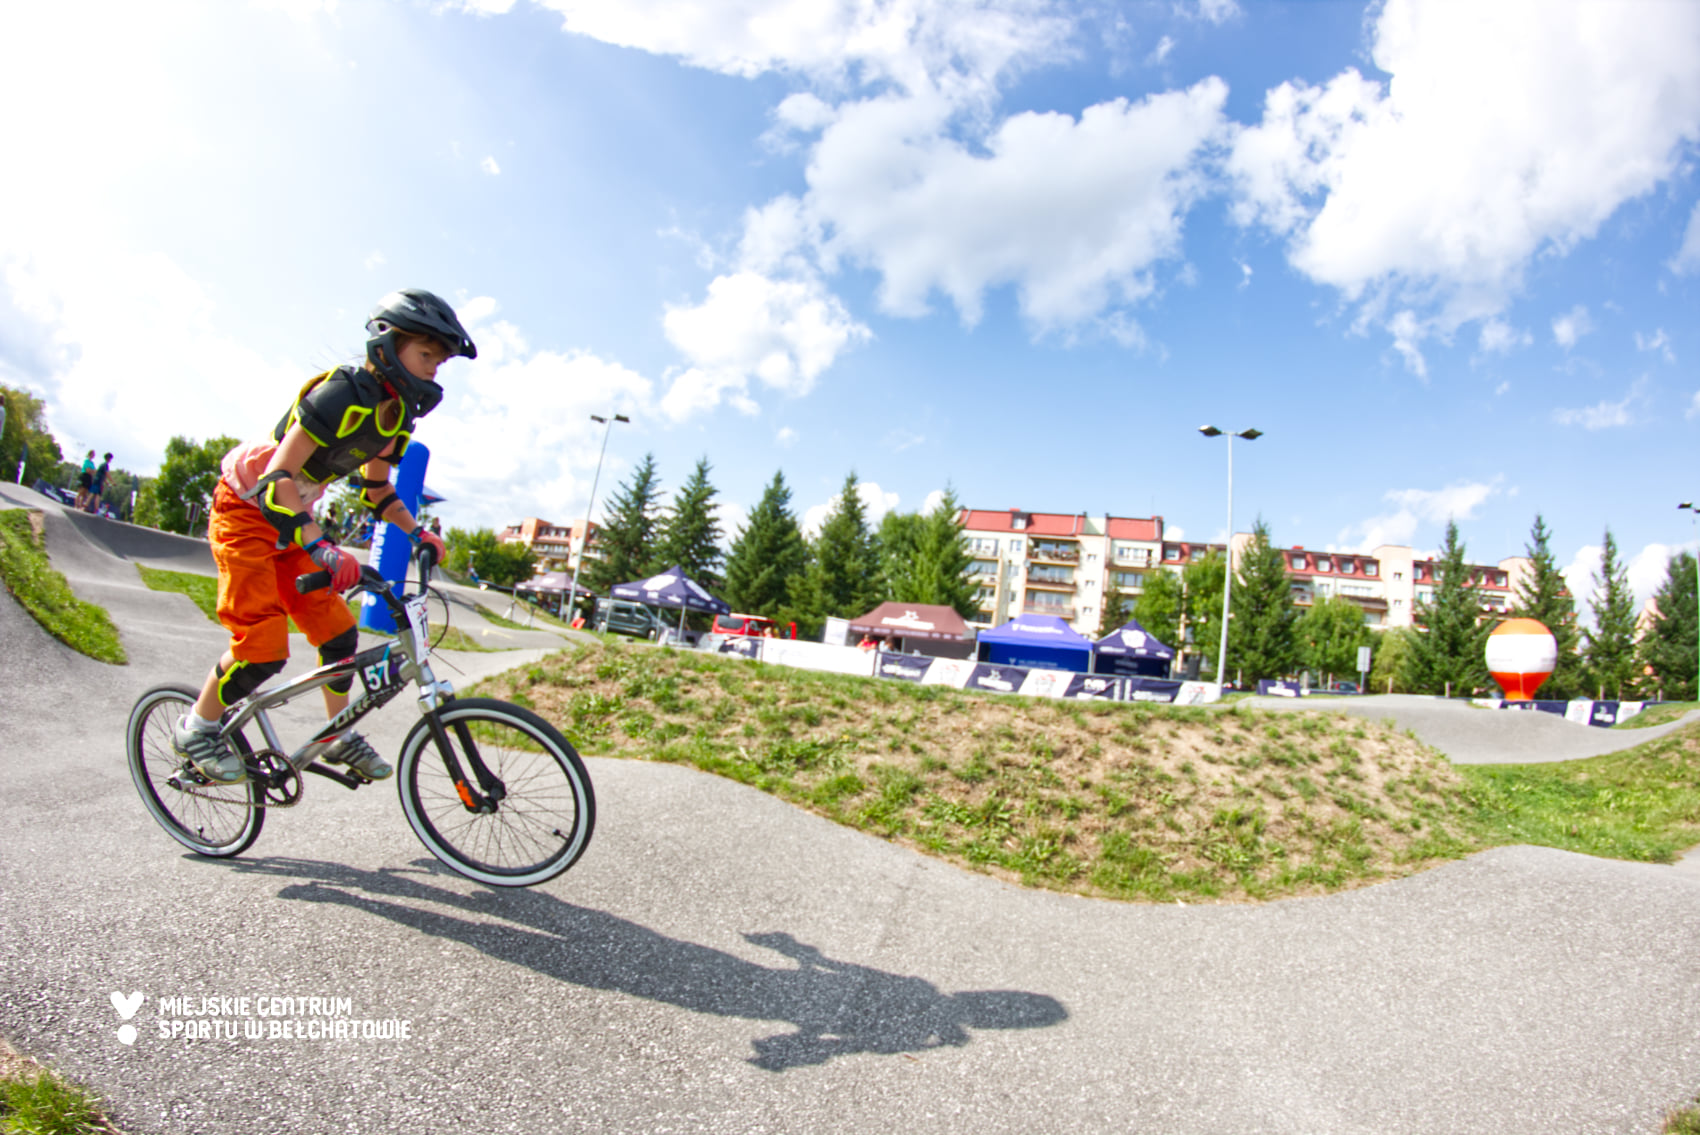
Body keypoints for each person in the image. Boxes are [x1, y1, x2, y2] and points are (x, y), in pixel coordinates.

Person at [171, 290, 475, 785]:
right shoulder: (342, 393)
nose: (434, 369)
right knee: (263, 647)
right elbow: (275, 481)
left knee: (338, 633)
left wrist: (417, 531)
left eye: (440, 363)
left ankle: (335, 735)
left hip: (292, 522)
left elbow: (376, 489)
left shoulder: (395, 417)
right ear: (389, 345)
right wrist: (319, 544)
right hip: (247, 510)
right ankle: (197, 727)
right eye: (427, 356)